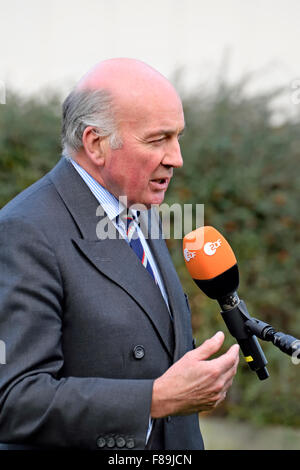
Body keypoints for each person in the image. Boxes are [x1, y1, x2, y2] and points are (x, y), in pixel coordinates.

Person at [0, 58, 239, 450]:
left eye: (177, 137)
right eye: (157, 139)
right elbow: (13, 401)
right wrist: (155, 400)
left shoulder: (140, 210)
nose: (176, 157)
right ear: (96, 144)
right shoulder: (24, 232)